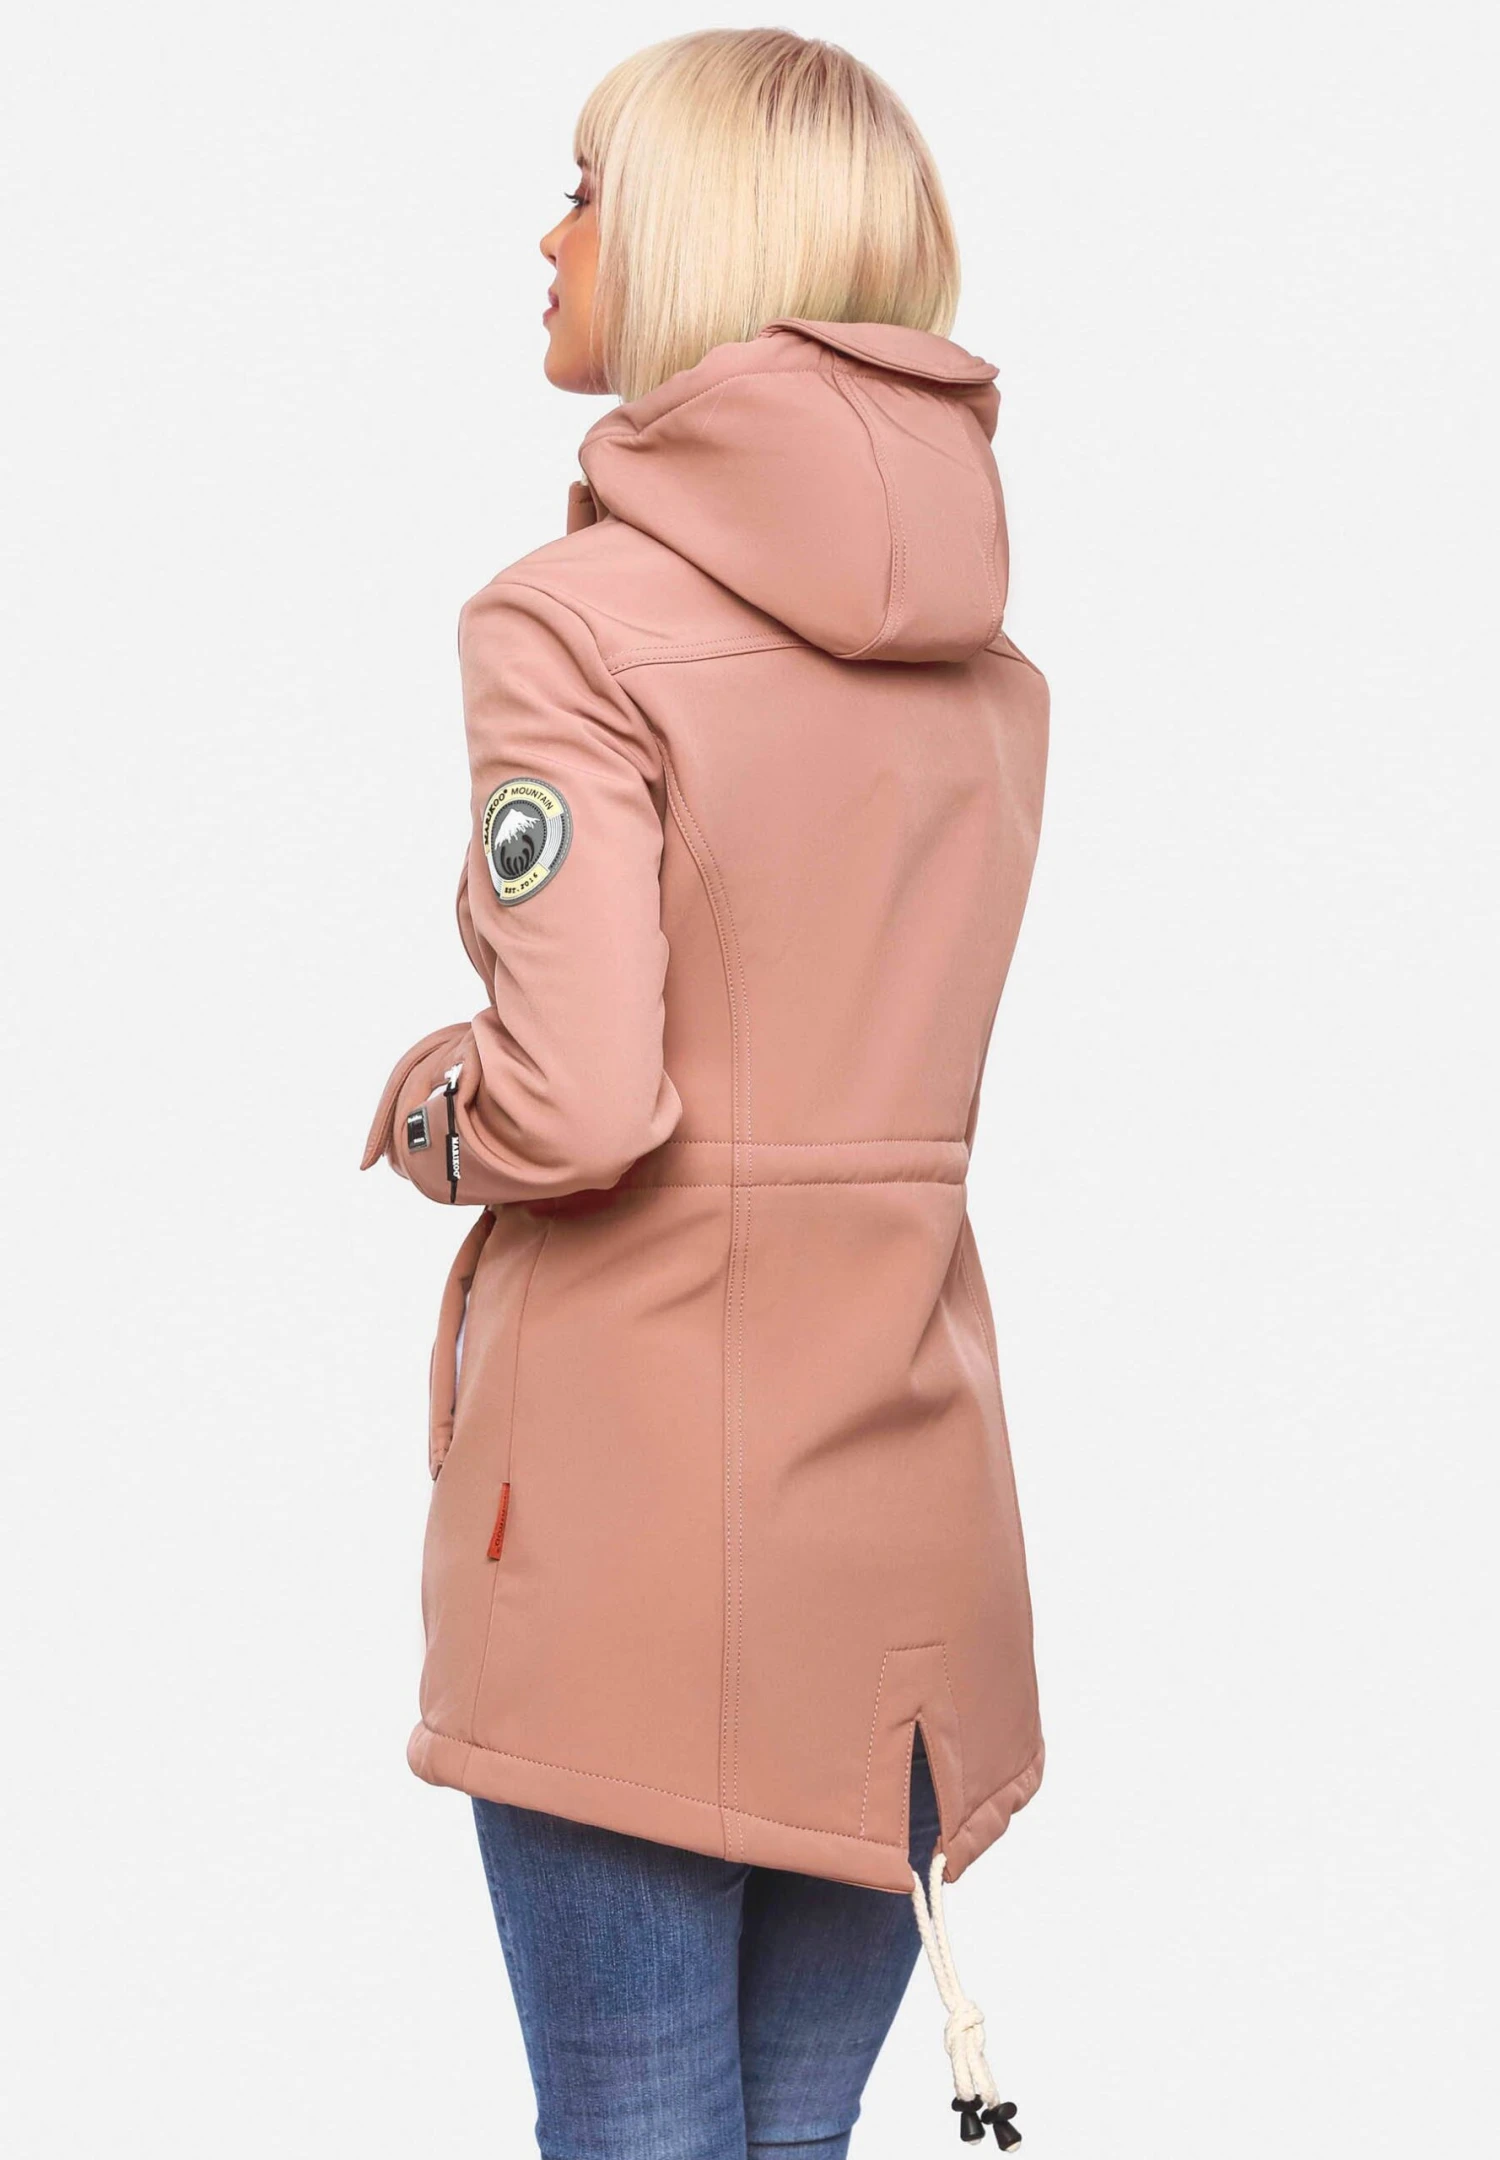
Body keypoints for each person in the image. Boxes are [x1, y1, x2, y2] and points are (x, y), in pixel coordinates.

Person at [362, 27, 1048, 2159]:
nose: (548, 238)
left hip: (642, 1550)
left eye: (588, 191)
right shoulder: (989, 670)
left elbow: (577, 1104)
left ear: (696, 240)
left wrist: (426, 1104)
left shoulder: (567, 624)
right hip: (908, 1536)